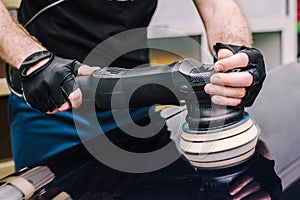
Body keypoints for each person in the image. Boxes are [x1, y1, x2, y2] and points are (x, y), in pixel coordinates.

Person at [6, 0, 265, 180]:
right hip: (52, 103)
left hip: (135, 104)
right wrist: (34, 60)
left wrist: (235, 57)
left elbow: (217, 4)